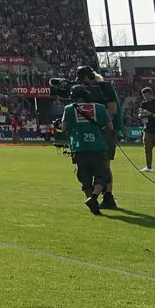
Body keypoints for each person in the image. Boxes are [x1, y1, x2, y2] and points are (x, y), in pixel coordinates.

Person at [62, 85, 115, 215]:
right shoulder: (100, 108)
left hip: (80, 148)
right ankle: (94, 198)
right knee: (102, 175)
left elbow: (64, 128)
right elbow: (110, 127)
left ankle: (92, 203)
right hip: (98, 147)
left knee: (84, 177)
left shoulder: (69, 109)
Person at [77, 66, 121, 208]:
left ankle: (108, 196)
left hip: (105, 130)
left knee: (104, 165)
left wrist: (96, 118)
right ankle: (94, 197)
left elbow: (112, 110)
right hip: (89, 131)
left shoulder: (105, 88)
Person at [138, 86, 155, 174]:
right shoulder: (143, 104)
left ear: (151, 95)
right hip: (147, 130)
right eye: (144, 96)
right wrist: (141, 115)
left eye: (146, 96)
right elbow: (141, 116)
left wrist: (151, 114)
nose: (145, 98)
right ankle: (148, 167)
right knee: (147, 150)